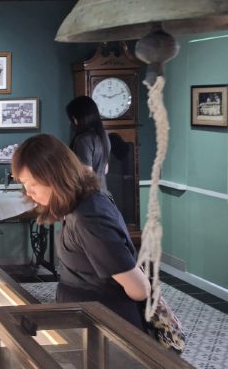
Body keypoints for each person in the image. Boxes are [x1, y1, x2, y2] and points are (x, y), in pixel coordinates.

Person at [12, 134, 150, 330]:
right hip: (88, 321)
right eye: (24, 184)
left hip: (108, 327)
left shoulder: (89, 218)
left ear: (56, 176)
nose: (28, 192)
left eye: (32, 184)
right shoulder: (78, 207)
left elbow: (140, 288)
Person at [66, 95, 111, 193]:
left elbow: (87, 175)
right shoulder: (104, 137)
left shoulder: (83, 140)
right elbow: (105, 169)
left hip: (89, 195)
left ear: (76, 118)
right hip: (103, 192)